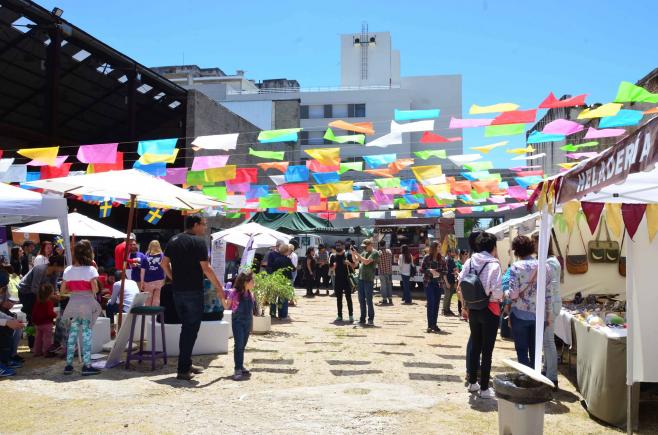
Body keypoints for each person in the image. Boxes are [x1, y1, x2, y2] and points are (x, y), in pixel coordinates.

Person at [161, 215, 227, 381]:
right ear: (195, 225)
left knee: (187, 328)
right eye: (203, 225)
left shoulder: (173, 240)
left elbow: (164, 263)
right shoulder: (198, 242)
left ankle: (187, 363)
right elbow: (206, 268)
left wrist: (173, 278)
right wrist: (219, 288)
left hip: (178, 291)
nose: (205, 228)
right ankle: (183, 369)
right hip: (192, 291)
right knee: (190, 330)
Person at [459, 232, 503, 399]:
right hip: (490, 309)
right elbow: (497, 291)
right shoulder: (494, 264)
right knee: (487, 350)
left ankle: (472, 383)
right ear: (492, 247)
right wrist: (500, 296)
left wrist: (465, 305)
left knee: (475, 345)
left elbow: (461, 282)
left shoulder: (470, 261)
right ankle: (485, 388)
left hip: (473, 308)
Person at [507, 235, 551, 368]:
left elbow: (513, 294)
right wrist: (548, 315)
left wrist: (505, 294)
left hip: (520, 314)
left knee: (521, 350)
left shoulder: (516, 267)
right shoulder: (544, 266)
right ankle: (534, 378)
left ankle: (526, 377)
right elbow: (548, 293)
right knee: (536, 350)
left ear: (516, 251)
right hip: (539, 316)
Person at [61, 241, 102, 376]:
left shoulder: (68, 270)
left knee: (72, 334)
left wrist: (74, 290)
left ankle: (68, 365)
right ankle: (87, 365)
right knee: (86, 334)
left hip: (73, 302)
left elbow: (62, 291)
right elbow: (95, 289)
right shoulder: (91, 270)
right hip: (87, 302)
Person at [18, 255, 65, 350]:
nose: (62, 269)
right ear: (55, 264)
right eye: (62, 266)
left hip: (41, 294)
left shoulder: (55, 273)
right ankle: (32, 344)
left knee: (41, 318)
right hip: (26, 292)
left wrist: (56, 295)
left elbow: (54, 286)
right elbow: (34, 289)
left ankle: (39, 343)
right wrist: (50, 297)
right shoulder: (40, 269)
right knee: (32, 317)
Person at [532, 233, 562, 389]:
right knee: (546, 341)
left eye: (535, 242)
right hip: (551, 305)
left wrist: (549, 311)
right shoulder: (550, 261)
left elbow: (550, 287)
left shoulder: (550, 262)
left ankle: (552, 377)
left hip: (550, 306)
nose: (533, 246)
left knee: (548, 342)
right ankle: (547, 371)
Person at [227, 271, 255, 381]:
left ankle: (241, 366)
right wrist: (221, 296)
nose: (254, 283)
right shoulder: (234, 293)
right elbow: (226, 306)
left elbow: (251, 312)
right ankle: (237, 369)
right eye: (252, 281)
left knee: (242, 346)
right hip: (237, 322)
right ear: (245, 282)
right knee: (238, 345)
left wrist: (252, 325)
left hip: (247, 323)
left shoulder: (250, 294)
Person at [421, 241, 448, 333]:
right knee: (431, 303)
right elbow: (422, 269)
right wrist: (429, 271)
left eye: (440, 247)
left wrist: (438, 273)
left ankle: (434, 324)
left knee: (436, 304)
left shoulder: (442, 259)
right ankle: (429, 325)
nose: (440, 249)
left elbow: (445, 271)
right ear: (434, 248)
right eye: (439, 247)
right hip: (428, 283)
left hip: (438, 283)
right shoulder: (427, 257)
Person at [351, 239, 379, 326]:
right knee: (361, 300)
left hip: (368, 279)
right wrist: (353, 254)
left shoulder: (375, 253)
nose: (364, 248)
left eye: (365, 246)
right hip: (361, 279)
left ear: (370, 245)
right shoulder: (364, 252)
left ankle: (370, 319)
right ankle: (362, 319)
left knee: (369, 300)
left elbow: (366, 262)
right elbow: (356, 262)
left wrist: (357, 254)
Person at [330, 241, 355, 322]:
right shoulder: (333, 256)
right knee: (339, 299)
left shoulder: (348, 255)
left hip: (347, 279)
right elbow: (330, 270)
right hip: (338, 280)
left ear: (343, 246)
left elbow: (354, 266)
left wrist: (349, 263)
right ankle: (339, 315)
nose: (338, 247)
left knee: (348, 298)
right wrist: (333, 267)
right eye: (336, 245)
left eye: (339, 245)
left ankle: (351, 315)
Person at [32, 283, 57, 357]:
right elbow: (49, 313)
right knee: (47, 339)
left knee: (38, 338)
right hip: (47, 323)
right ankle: (47, 352)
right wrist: (55, 315)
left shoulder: (38, 301)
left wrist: (34, 321)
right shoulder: (49, 302)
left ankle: (37, 352)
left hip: (38, 323)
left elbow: (34, 312)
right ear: (50, 293)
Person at [269, 243, 293, 319]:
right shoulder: (288, 260)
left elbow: (273, 269)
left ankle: (272, 314)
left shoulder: (277, 260)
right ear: (287, 251)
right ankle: (282, 315)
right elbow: (293, 269)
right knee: (283, 298)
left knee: (274, 297)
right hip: (286, 280)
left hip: (276, 279)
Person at [140, 240, 165, 306]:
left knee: (148, 300)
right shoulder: (163, 256)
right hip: (160, 280)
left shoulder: (145, 257)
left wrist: (142, 282)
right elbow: (165, 268)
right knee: (157, 299)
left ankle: (148, 315)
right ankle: (155, 315)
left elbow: (142, 271)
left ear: (150, 246)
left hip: (148, 281)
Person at [377, 240, 394, 306]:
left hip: (382, 271)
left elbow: (377, 261)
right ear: (385, 244)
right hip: (389, 271)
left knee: (383, 286)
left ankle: (384, 299)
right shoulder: (389, 251)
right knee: (389, 285)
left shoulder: (379, 252)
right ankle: (390, 299)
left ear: (380, 245)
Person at [443, 249, 458, 316]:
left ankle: (448, 309)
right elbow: (444, 272)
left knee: (450, 296)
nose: (454, 254)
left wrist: (454, 281)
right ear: (449, 252)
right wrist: (446, 282)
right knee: (447, 295)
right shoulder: (446, 260)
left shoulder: (451, 260)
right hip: (447, 281)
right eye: (452, 252)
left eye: (454, 252)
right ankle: (444, 310)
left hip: (451, 280)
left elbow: (454, 270)